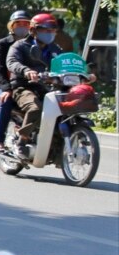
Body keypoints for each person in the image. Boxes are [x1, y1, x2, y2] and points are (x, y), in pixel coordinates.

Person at [6, 12, 95, 155]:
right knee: (35, 108)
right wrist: (26, 71)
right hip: (24, 87)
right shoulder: (20, 46)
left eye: (52, 31)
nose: (50, 34)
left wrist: (84, 73)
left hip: (46, 87)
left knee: (67, 108)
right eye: (46, 30)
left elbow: (65, 64)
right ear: (34, 30)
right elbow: (12, 62)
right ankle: (21, 141)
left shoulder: (55, 48)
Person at [0, 10, 29, 153]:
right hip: (5, 83)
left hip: (26, 83)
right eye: (19, 23)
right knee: (6, 100)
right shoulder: (2, 44)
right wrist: (6, 89)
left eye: (26, 24)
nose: (23, 26)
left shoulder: (32, 44)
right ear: (12, 26)